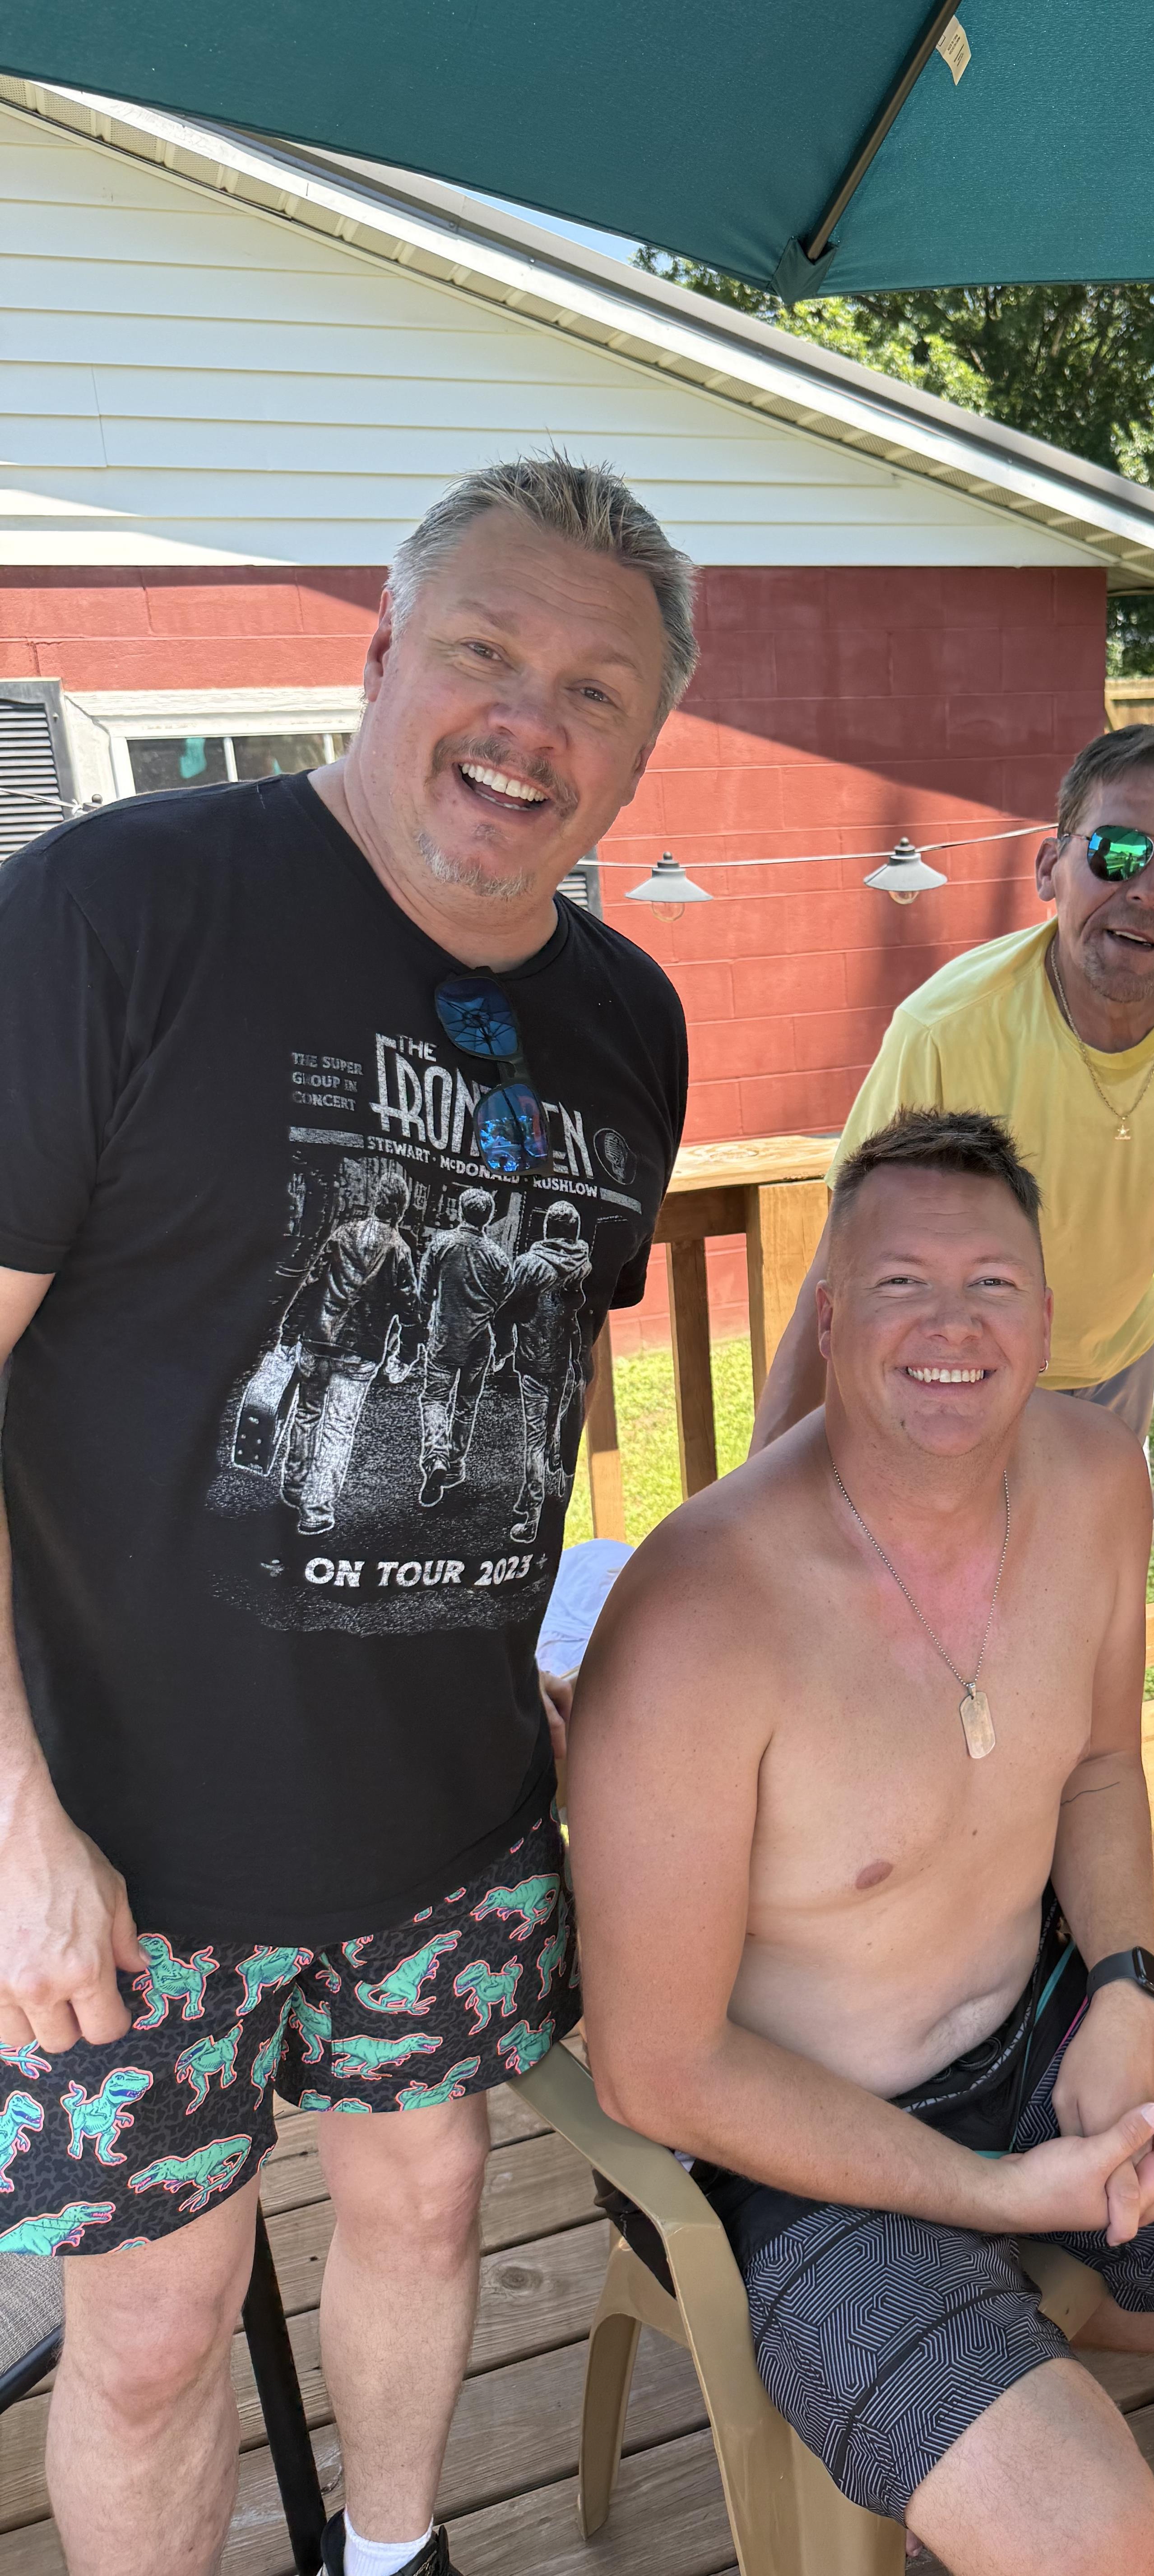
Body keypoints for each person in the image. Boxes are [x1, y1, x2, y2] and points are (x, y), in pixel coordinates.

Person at [0, 453, 695, 2576]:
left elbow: (542, 1379)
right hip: (118, 1842)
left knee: (429, 2199)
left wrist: (547, 1697)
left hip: (446, 1818)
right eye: (485, 650)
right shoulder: (120, 907)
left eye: (595, 690)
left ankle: (395, 2558)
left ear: (641, 753)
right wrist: (12, 1827)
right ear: (382, 656)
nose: (528, 719)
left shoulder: (627, 1023)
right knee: (151, 2329)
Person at [568, 1108, 1154, 2576]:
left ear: (1048, 1310)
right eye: (899, 1285)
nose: (951, 1327)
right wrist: (997, 2197)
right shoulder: (700, 1615)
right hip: (790, 2154)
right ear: (825, 1316)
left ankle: (1006, 2304)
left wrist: (1128, 1986)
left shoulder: (1092, 1483)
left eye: (991, 1284)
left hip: (1045, 2034)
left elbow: (1104, 1772)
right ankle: (998, 2293)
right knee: (1098, 2536)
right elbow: (657, 2067)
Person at [749, 724, 1154, 1453]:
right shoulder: (946, 1030)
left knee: (1092, 1558)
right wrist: (760, 1479)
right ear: (1050, 866)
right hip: (962, 1361)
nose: (1149, 892)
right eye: (1116, 853)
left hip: (1121, 1349)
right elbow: (843, 1249)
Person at [280, 1163, 422, 1537]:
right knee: (339, 1429)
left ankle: (294, 1486)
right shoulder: (400, 1252)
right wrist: (405, 1355)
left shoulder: (343, 1234)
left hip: (318, 1338)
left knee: (307, 1414)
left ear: (375, 1202)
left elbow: (311, 1284)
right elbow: (411, 1311)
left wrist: (288, 1333)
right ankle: (316, 1510)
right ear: (402, 1211)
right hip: (361, 1350)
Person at [499, 1200, 593, 1542]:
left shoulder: (530, 1265)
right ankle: (542, 1493)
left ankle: (532, 1517)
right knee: (556, 1432)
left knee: (536, 1440)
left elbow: (508, 1307)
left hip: (536, 1359)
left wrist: (505, 1341)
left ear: (547, 1229)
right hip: (567, 1358)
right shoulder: (583, 1260)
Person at [415, 1186, 514, 1509]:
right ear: (488, 1218)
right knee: (467, 1404)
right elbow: (505, 1308)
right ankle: (456, 1464)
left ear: (461, 1211)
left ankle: (436, 1458)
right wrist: (503, 1347)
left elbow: (425, 1290)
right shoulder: (498, 1258)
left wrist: (418, 1326)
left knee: (435, 1399)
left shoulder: (441, 1245)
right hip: (480, 1341)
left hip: (445, 1336)